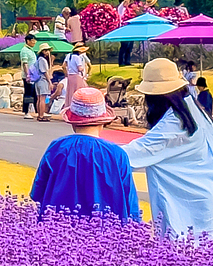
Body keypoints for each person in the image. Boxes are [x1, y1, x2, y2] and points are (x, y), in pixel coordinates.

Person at [123, 58, 213, 241]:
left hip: (194, 210)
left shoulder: (175, 123)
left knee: (184, 261)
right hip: (209, 201)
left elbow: (129, 156)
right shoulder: (191, 109)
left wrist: (89, 146)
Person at [29, 88, 140, 222]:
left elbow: (37, 192)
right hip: (106, 231)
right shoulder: (117, 154)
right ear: (103, 121)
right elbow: (130, 201)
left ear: (72, 121)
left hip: (58, 229)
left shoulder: (57, 147)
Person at [24, 44, 53, 120]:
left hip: (37, 81)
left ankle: (39, 114)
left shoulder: (38, 60)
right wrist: (49, 82)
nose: (48, 52)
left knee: (39, 98)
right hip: (43, 80)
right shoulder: (42, 60)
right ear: (43, 51)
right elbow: (44, 72)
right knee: (42, 98)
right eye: (46, 50)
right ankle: (41, 115)